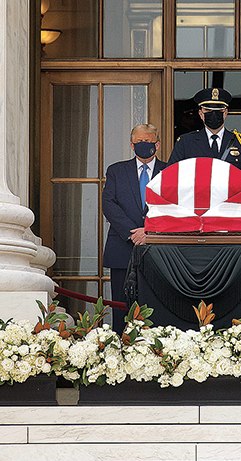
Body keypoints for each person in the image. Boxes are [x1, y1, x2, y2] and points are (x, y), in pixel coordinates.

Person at [101, 123, 167, 333]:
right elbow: (109, 205)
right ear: (132, 145)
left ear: (157, 144)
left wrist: (149, 231)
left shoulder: (169, 171)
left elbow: (174, 206)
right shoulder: (116, 171)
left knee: (158, 309)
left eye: (148, 141)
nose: (143, 144)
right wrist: (134, 233)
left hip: (159, 250)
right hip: (122, 249)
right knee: (122, 309)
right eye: (139, 141)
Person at [167, 87, 241, 191]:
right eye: (208, 110)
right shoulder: (185, 142)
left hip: (232, 200)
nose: (213, 114)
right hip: (198, 200)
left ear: (225, 113)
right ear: (201, 114)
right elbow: (171, 178)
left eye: (219, 110)